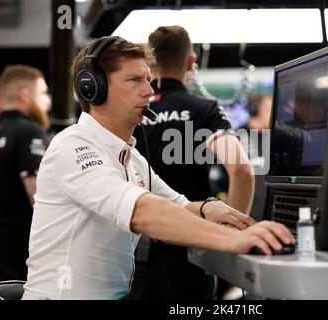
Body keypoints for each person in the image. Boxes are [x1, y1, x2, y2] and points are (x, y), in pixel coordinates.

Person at [22, 36, 294, 300]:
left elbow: (177, 204)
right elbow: (141, 211)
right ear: (93, 88)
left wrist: (207, 208)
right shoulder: (72, 146)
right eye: (134, 80)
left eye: (148, 80)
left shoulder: (132, 157)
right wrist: (232, 241)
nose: (149, 91)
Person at [128, 25, 255, 300]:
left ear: (149, 62)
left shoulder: (132, 112)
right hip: (193, 248)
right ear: (191, 61)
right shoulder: (205, 110)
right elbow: (242, 170)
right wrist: (229, 237)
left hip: (136, 252)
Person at [0, 65, 49, 282]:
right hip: (20, 258)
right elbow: (39, 198)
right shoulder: (29, 131)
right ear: (25, 96)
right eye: (43, 93)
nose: (47, 101)